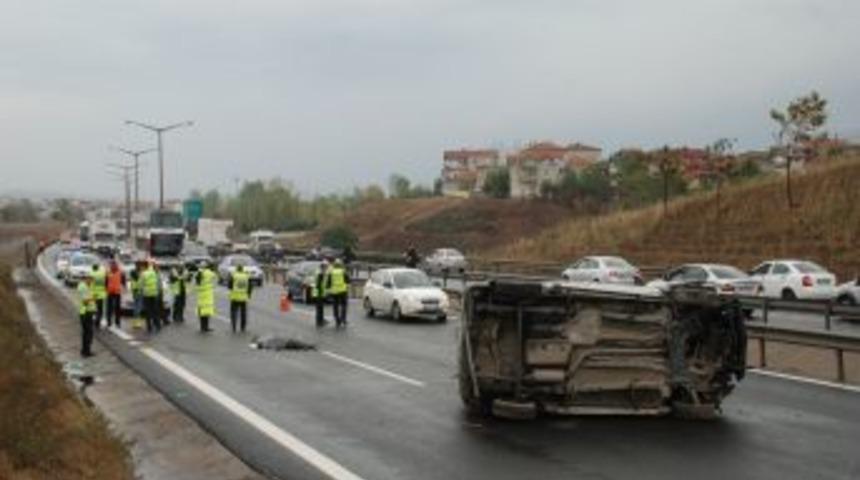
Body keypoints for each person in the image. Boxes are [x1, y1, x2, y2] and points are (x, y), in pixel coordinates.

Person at [76, 273, 96, 357]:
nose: (91, 282)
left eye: (92, 280)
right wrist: (93, 298)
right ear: (86, 279)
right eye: (90, 280)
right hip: (85, 312)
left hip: (87, 311)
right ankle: (86, 352)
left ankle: (85, 350)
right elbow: (85, 301)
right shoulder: (83, 287)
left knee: (87, 332)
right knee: (88, 332)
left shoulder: (87, 286)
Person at [327, 259, 350, 328]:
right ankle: (343, 319)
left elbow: (329, 283)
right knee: (344, 305)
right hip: (343, 290)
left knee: (335, 305)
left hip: (334, 291)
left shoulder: (331, 272)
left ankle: (337, 320)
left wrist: (328, 289)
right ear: (340, 265)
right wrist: (347, 286)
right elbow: (348, 281)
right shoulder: (343, 271)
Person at [228, 265, 252, 333]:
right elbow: (250, 287)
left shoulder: (234, 275)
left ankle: (234, 326)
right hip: (243, 297)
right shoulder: (246, 276)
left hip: (235, 296)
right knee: (243, 313)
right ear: (242, 270)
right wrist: (249, 294)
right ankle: (243, 327)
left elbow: (229, 286)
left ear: (237, 269)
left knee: (233, 312)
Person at [140, 260, 161, 333]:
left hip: (147, 294)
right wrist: (158, 291)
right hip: (154, 293)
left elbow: (141, 284)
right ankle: (158, 325)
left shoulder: (143, 273)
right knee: (155, 310)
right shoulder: (153, 272)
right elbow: (157, 282)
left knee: (148, 311)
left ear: (144, 266)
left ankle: (149, 327)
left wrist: (141, 292)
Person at [196, 261, 217, 333]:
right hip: (207, 294)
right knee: (207, 312)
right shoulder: (208, 272)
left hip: (201, 294)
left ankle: (202, 327)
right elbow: (215, 276)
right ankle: (206, 327)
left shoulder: (198, 273)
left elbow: (196, 283)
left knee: (201, 311)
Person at [105, 260, 125, 328]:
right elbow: (106, 281)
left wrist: (123, 287)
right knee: (109, 308)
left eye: (114, 265)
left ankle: (117, 322)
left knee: (117, 308)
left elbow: (123, 281)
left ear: (117, 266)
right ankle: (109, 321)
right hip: (110, 291)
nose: (113, 266)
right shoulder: (108, 272)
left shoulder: (120, 272)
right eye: (112, 265)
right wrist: (106, 289)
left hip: (117, 292)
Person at [91, 263, 107, 329]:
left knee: (94, 308)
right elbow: (106, 282)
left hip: (94, 294)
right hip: (101, 294)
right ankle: (98, 320)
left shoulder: (91, 274)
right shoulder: (102, 274)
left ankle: (94, 320)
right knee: (100, 309)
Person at [314, 261, 330, 327]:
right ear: (323, 266)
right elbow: (319, 284)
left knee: (320, 308)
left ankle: (321, 320)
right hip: (319, 292)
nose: (326, 268)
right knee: (319, 308)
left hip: (318, 292)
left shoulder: (318, 272)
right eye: (326, 267)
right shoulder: (320, 273)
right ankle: (319, 322)